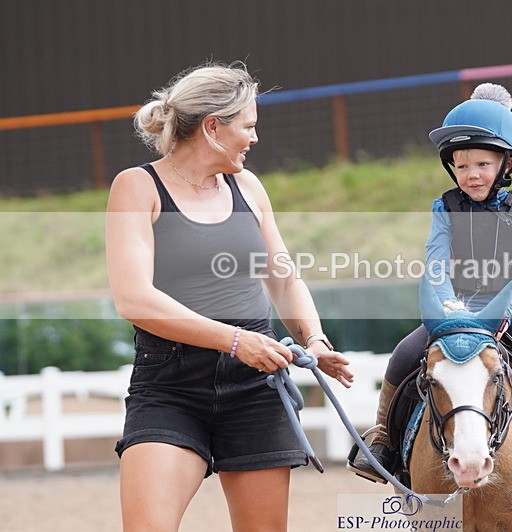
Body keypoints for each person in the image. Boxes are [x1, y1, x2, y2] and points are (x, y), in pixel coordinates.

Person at [106, 62, 354, 532]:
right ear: (213, 127)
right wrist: (235, 340)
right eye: (249, 126)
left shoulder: (248, 187)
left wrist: (316, 340)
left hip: (255, 384)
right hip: (171, 385)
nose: (255, 138)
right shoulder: (137, 186)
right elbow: (134, 299)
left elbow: (282, 279)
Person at [349, 83, 512, 483]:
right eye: (462, 166)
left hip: (511, 312)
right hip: (454, 313)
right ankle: (384, 438)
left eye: (482, 165)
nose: (471, 174)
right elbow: (435, 265)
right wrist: (444, 307)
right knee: (404, 354)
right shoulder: (444, 208)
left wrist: (508, 311)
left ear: (505, 165)